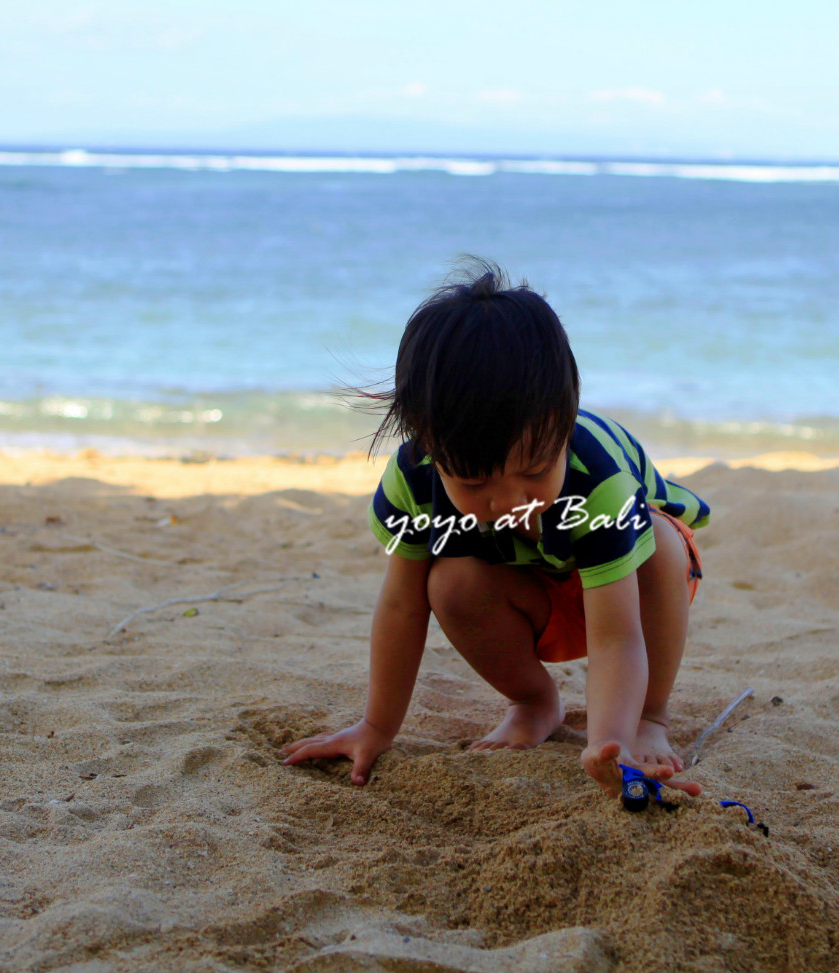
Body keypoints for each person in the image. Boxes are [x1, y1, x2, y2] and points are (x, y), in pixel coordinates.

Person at [281, 260, 709, 801]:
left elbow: (616, 636)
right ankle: (533, 701)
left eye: (534, 472)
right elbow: (401, 608)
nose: (510, 500)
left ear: (564, 418)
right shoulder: (413, 479)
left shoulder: (598, 479)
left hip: (637, 591)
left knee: (661, 543)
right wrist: (376, 728)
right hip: (528, 587)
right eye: (475, 481)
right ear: (429, 445)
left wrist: (610, 743)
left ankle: (649, 716)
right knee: (446, 582)